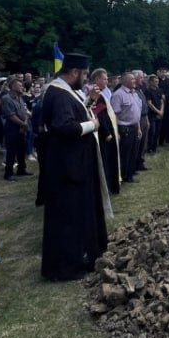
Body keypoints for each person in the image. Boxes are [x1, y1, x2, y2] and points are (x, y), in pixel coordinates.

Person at [37, 54, 110, 281]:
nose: (86, 79)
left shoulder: (65, 92)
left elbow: (73, 114)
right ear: (75, 72)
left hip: (74, 162)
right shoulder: (58, 94)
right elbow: (63, 125)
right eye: (85, 74)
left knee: (79, 211)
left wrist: (88, 102)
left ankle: (85, 253)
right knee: (68, 215)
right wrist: (92, 125)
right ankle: (68, 266)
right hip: (67, 166)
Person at [88, 69, 122, 193]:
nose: (107, 81)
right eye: (104, 79)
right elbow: (99, 115)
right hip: (104, 134)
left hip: (109, 130)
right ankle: (107, 186)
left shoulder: (102, 93)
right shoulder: (96, 94)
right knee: (106, 159)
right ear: (97, 79)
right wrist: (107, 132)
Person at [110, 73, 142, 185]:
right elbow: (114, 115)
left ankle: (130, 175)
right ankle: (123, 177)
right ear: (125, 81)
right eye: (132, 79)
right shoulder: (118, 95)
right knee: (125, 154)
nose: (135, 81)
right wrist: (117, 132)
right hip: (124, 129)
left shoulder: (135, 94)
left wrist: (138, 128)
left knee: (133, 152)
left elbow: (136, 113)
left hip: (134, 127)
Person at [0, 79, 31, 181]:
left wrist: (25, 123)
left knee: (21, 149)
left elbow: (25, 111)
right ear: (12, 86)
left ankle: (21, 169)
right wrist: (23, 124)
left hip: (22, 126)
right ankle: (8, 173)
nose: (22, 87)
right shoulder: (6, 98)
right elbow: (10, 115)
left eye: (22, 85)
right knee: (11, 151)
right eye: (19, 85)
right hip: (12, 127)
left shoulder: (20, 98)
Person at [145, 74, 164, 155]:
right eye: (155, 81)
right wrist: (158, 111)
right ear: (150, 82)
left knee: (157, 132)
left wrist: (161, 111)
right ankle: (149, 148)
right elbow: (149, 103)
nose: (157, 83)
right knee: (152, 132)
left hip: (159, 113)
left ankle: (154, 148)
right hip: (152, 115)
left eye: (157, 81)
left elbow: (162, 101)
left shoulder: (159, 90)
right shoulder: (148, 91)